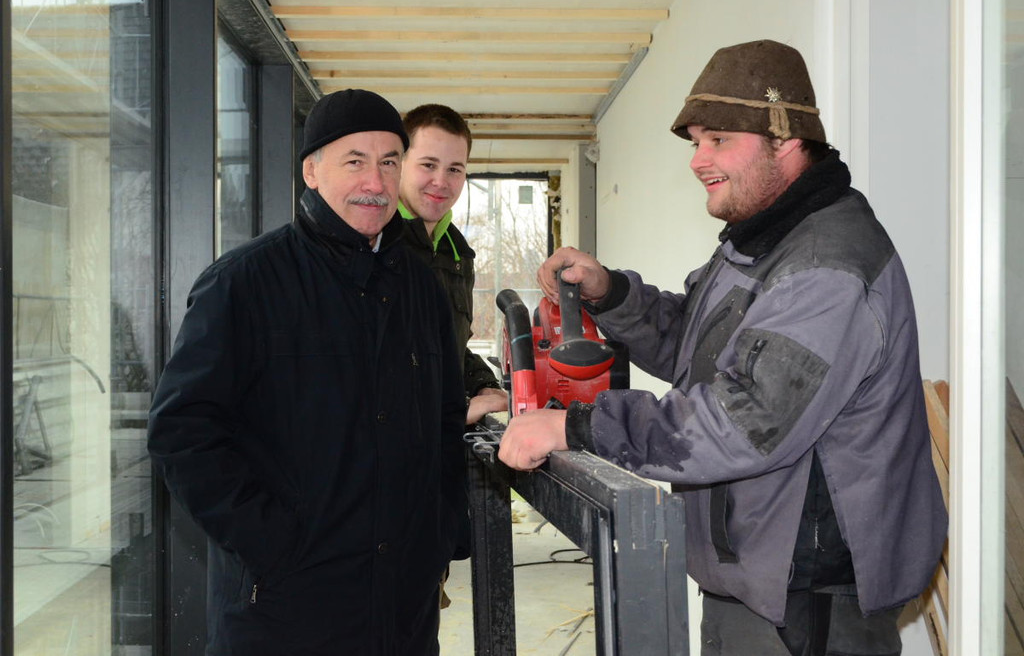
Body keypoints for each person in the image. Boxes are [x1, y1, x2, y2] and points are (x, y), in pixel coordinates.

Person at [498, 40, 947, 656]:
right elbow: (697, 343)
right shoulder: (765, 238)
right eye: (695, 142)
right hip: (762, 580)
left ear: (785, 140)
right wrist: (611, 293)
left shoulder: (826, 265)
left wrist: (577, 426)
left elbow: (744, 422)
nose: (698, 160)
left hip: (806, 603)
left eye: (719, 140)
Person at [148, 89, 467, 655]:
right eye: (354, 161)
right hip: (284, 610)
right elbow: (182, 433)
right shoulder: (244, 282)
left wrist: (438, 536)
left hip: (402, 612)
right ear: (311, 171)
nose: (375, 182)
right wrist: (271, 544)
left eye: (389, 162)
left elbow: (444, 421)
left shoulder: (421, 288)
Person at [398, 103, 508, 426]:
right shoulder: (374, 243)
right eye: (428, 165)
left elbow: (450, 349)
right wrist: (452, 410)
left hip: (442, 440)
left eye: (454, 169)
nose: (441, 181)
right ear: (399, 162)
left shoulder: (458, 253)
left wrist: (483, 384)